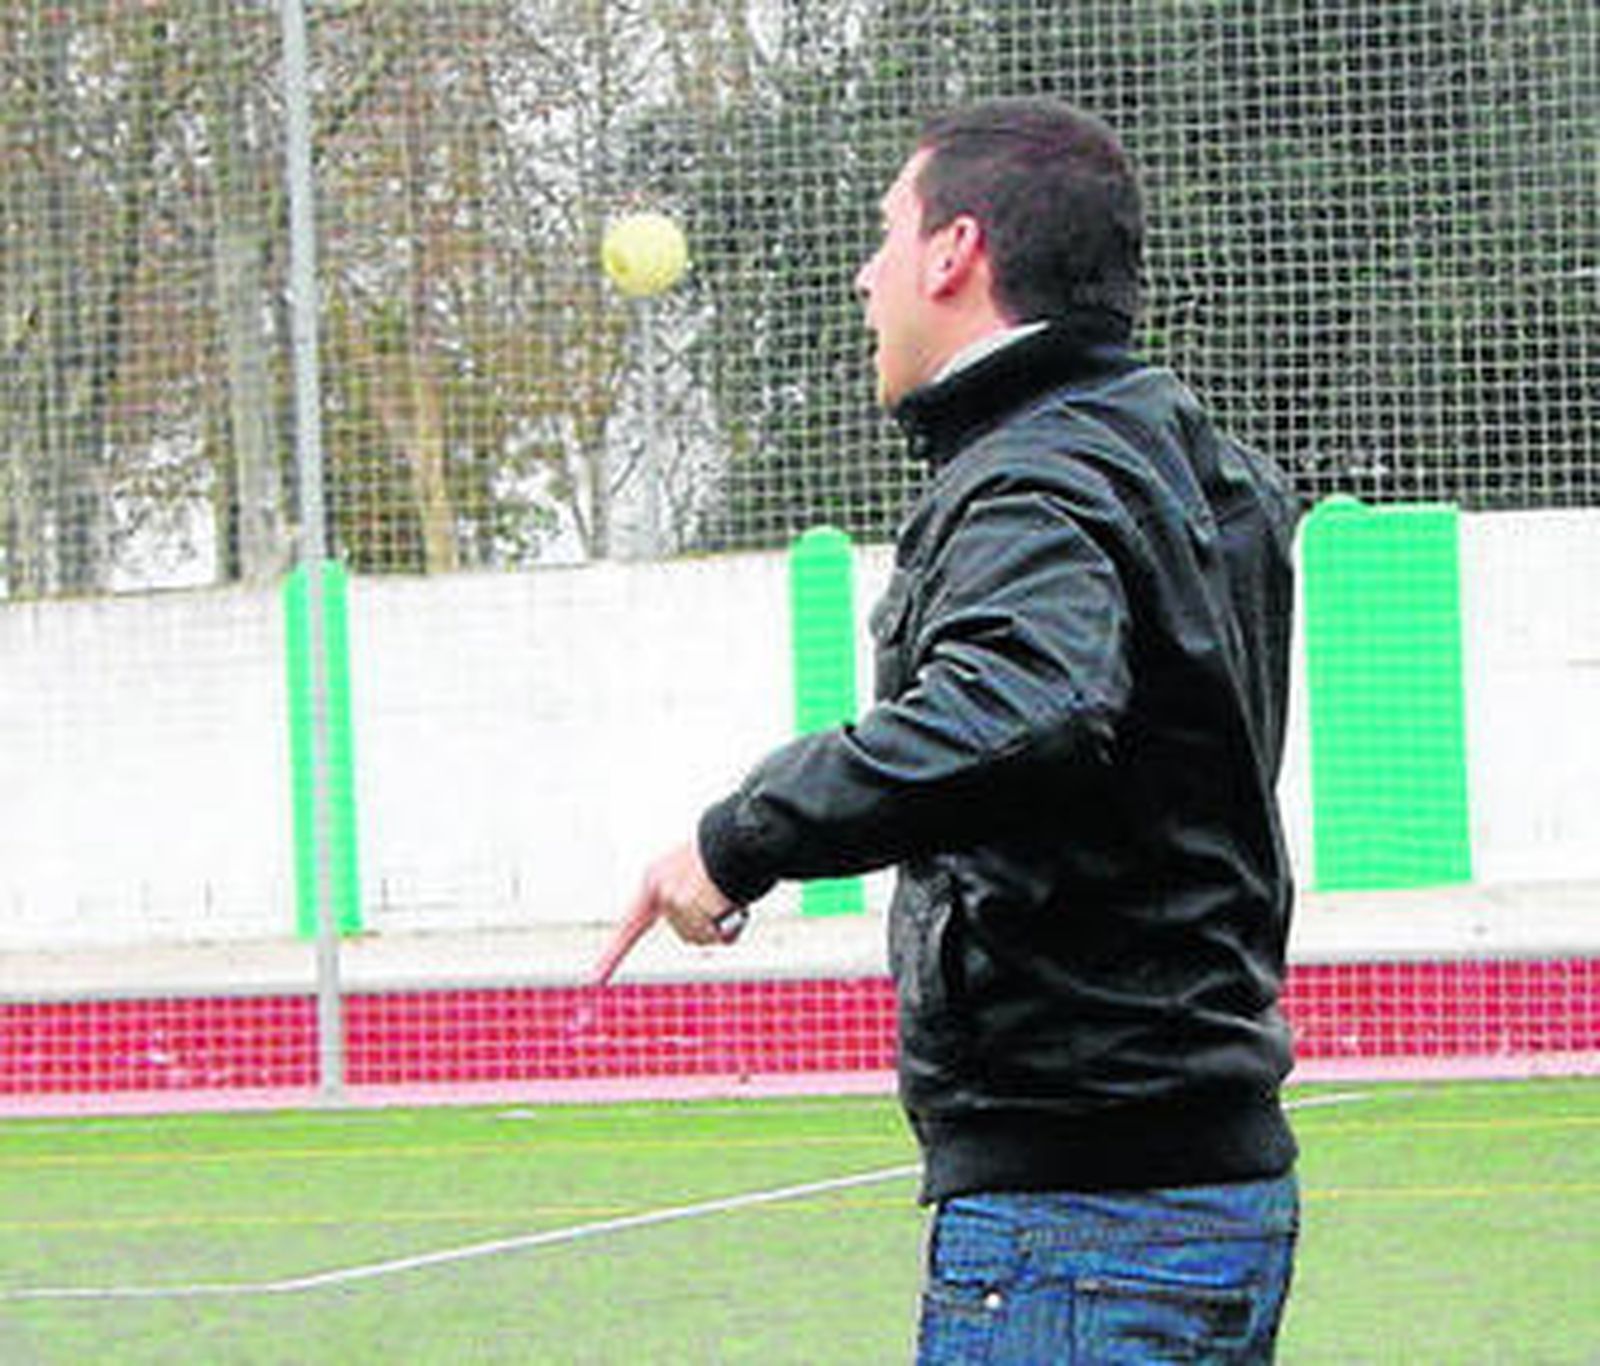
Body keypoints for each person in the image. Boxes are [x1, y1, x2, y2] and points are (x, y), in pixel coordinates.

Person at [608, 97, 1302, 1362]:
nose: (867, 277)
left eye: (886, 236)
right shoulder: (1190, 465)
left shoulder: (1034, 474)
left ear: (954, 252)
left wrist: (736, 837)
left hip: (1082, 1209)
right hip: (1200, 1176)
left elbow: (1020, 709)